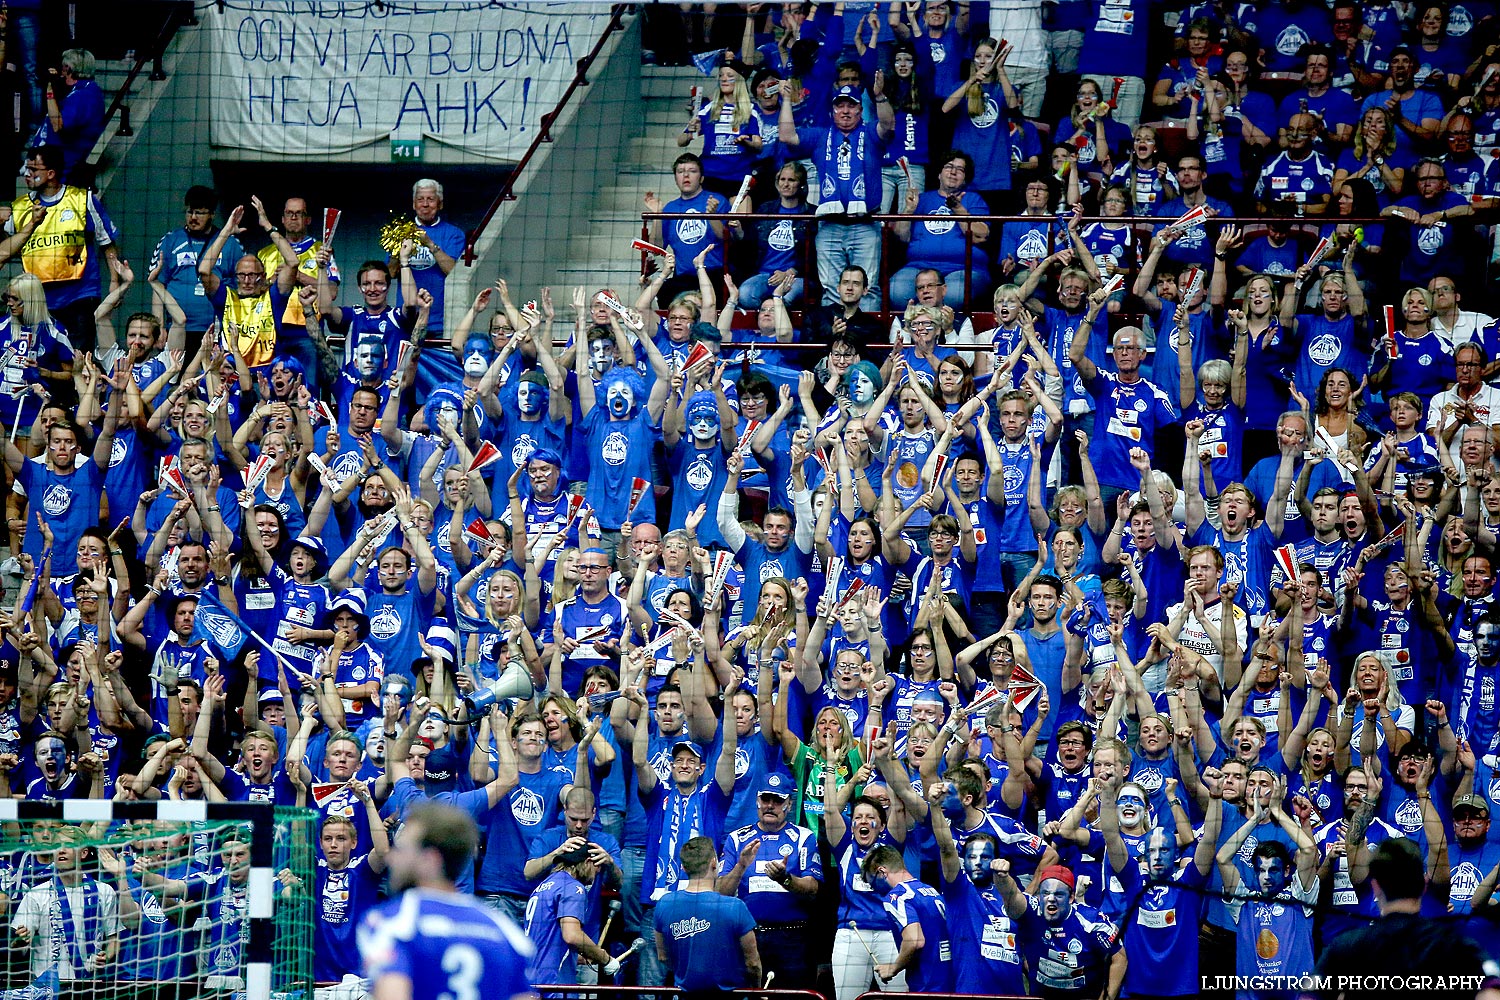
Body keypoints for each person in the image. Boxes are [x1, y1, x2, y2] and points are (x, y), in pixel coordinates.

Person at [358, 802, 535, 1000]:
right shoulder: (506, 932)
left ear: (430, 860)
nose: (392, 858)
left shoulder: (391, 923)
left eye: (402, 849)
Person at [1317, 837, 1486, 996]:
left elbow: (1309, 996)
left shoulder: (1345, 947)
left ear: (1375, 887)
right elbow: (1491, 995)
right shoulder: (1456, 946)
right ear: (1423, 885)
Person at [9, 143, 121, 353]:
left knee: (77, 359)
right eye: (27, 169)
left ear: (51, 173)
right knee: (40, 360)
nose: (27, 174)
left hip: (79, 296)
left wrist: (115, 281)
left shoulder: (82, 200)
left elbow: (107, 242)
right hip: (37, 300)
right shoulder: (19, 207)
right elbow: (7, 247)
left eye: (33, 170)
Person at [654, 836, 761, 995]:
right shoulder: (735, 906)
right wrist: (758, 989)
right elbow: (752, 963)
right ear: (713, 863)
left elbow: (663, 957)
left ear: (683, 867)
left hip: (685, 993)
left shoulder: (664, 904)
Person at [860, 844, 954, 993]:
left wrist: (893, 968)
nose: (874, 890)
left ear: (881, 872)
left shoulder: (898, 896)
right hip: (952, 983)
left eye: (871, 883)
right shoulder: (931, 891)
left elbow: (915, 941)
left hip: (926, 986)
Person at [398, 178, 465, 336]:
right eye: (420, 199)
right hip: (406, 318)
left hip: (440, 322)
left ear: (440, 204)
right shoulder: (400, 232)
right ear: (414, 204)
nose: (425, 204)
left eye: (431, 199)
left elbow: (454, 272)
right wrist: (397, 251)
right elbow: (390, 273)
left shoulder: (454, 234)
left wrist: (429, 244)